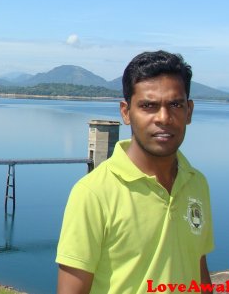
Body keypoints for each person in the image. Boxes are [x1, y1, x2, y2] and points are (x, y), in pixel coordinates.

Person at [56, 51, 213, 294]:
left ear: (189, 111)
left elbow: (198, 265)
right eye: (148, 106)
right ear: (126, 112)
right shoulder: (93, 193)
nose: (164, 118)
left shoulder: (197, 184)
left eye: (175, 105)